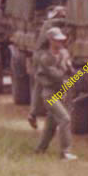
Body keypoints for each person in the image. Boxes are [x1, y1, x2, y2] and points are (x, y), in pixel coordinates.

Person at [33, 27, 77, 160]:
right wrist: (66, 72)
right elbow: (56, 75)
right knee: (65, 119)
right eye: (58, 40)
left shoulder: (64, 53)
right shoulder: (45, 58)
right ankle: (65, 152)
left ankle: (40, 150)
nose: (61, 42)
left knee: (51, 125)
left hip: (60, 93)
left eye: (62, 40)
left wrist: (71, 69)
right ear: (50, 40)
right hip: (50, 94)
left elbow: (69, 70)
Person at [27, 0, 69, 129]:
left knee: (43, 86)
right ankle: (33, 114)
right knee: (41, 85)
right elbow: (51, 30)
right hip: (43, 54)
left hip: (51, 52)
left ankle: (40, 114)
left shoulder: (60, 13)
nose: (64, 2)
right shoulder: (53, 16)